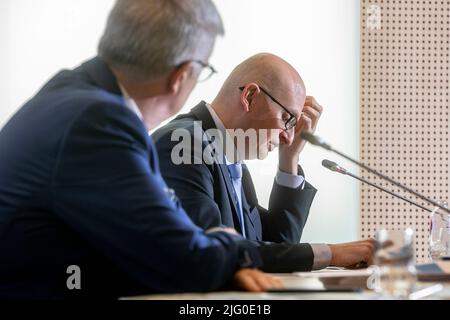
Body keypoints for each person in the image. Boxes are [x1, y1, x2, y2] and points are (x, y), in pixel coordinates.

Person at [0, 0, 282, 299]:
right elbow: (184, 262)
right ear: (181, 76)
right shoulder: (100, 122)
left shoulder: (69, 94)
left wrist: (207, 245)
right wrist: (234, 246)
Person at [153, 53, 375, 272]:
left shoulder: (230, 158)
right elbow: (215, 251)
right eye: (287, 119)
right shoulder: (184, 145)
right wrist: (331, 254)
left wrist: (290, 158)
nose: (288, 137)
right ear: (249, 96)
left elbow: (276, 246)